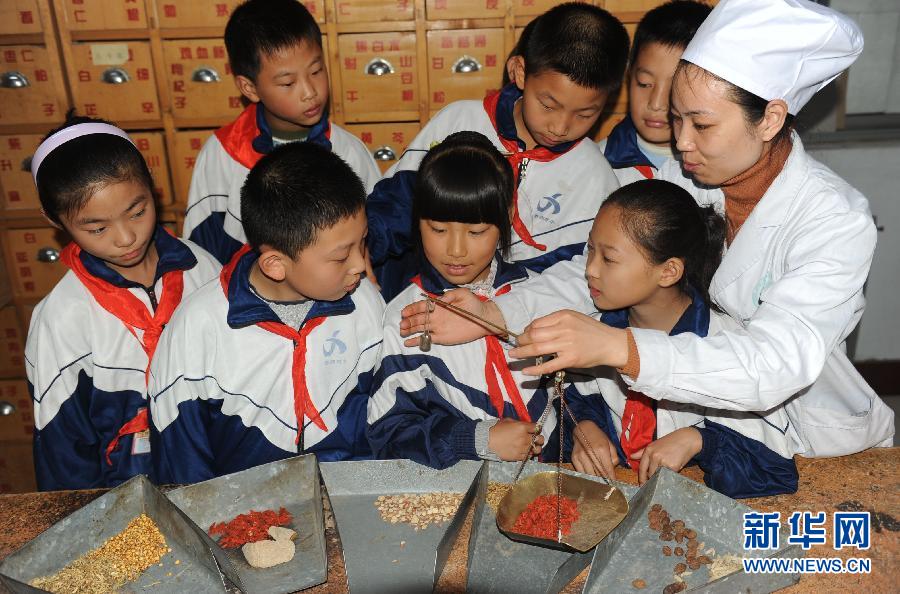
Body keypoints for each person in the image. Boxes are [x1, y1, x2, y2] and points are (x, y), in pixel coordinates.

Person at [398, 0, 894, 469]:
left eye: (701, 124)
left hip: (816, 443)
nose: (680, 142)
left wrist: (621, 348)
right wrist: (497, 309)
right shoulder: (687, 179)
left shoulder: (834, 221)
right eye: (678, 119)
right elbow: (602, 267)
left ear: (770, 118)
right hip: (696, 425)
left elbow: (773, 364)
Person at [149, 142, 384, 484]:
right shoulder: (198, 329)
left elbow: (383, 419)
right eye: (341, 255)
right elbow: (182, 462)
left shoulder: (365, 304)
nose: (361, 265)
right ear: (276, 265)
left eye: (362, 242)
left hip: (350, 501)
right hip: (242, 517)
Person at [367, 2, 627, 299]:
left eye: (584, 114)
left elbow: (580, 277)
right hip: (421, 299)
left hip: (517, 319)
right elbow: (396, 206)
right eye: (548, 105)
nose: (560, 126)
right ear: (519, 72)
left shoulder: (593, 175)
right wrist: (363, 245)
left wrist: (503, 310)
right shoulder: (459, 120)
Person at [561, 180, 798, 498]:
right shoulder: (598, 331)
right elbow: (575, 396)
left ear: (668, 271)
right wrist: (584, 427)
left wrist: (699, 440)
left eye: (609, 259)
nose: (590, 269)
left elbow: (774, 468)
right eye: (590, 250)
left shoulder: (727, 345)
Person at [26, 115, 220, 491]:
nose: (127, 237)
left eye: (137, 211)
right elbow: (63, 450)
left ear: (152, 185)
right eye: (97, 228)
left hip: (211, 478)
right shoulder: (62, 317)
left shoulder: (204, 269)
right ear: (55, 219)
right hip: (122, 500)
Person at [367, 132, 553, 469]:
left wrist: (589, 426)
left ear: (507, 215)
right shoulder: (405, 316)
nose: (456, 250)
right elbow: (388, 433)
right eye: (438, 229)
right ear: (416, 220)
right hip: (456, 496)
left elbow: (582, 389)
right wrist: (476, 438)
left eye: (476, 232)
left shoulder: (537, 293)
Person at [182, 0, 380, 265]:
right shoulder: (223, 155)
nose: (310, 92)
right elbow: (204, 254)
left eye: (316, 71)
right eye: (288, 83)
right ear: (249, 88)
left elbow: (376, 238)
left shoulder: (348, 151)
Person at [599, 1, 711, 185]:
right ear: (628, 77)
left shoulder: (722, 168)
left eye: (673, 88)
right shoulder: (598, 166)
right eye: (644, 84)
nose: (656, 103)